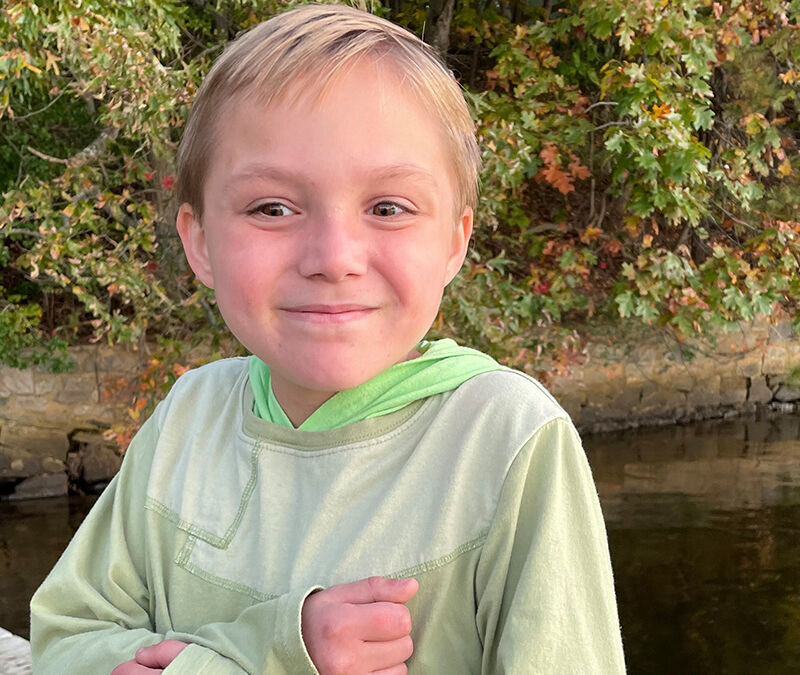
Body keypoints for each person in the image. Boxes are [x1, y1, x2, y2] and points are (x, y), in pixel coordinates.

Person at [29, 4, 626, 673]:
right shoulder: (187, 421)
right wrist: (274, 652)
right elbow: (65, 640)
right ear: (198, 241)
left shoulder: (508, 443)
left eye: (388, 208)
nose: (333, 256)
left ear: (455, 242)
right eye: (273, 208)